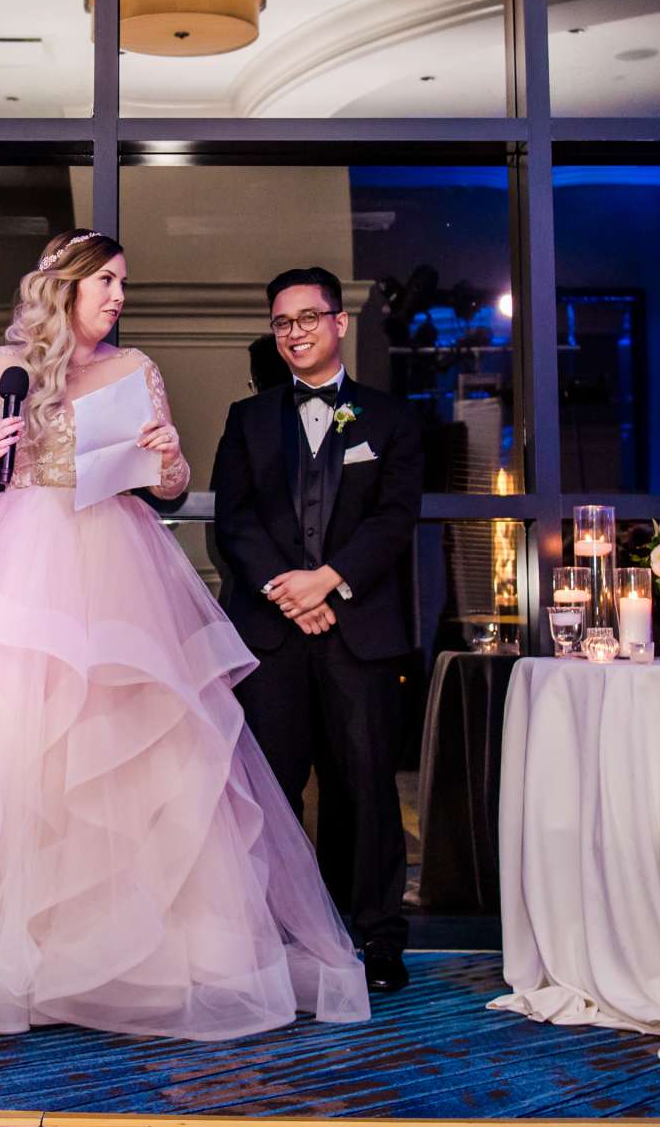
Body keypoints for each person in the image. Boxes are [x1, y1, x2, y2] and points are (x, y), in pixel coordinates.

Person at [0, 229, 369, 1042]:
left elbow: (169, 485)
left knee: (127, 748)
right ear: (64, 287)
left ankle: (130, 960)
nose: (117, 296)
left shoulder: (138, 370)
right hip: (21, 560)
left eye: (123, 284)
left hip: (114, 559)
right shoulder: (6, 368)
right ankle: (16, 959)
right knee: (14, 752)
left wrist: (166, 454)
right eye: (105, 281)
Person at [210, 266, 424, 996]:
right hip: (271, 637)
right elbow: (234, 523)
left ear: (338, 323)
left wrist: (327, 581)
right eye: (282, 323)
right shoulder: (248, 420)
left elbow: (395, 519)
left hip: (360, 630)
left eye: (307, 318)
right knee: (269, 791)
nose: (294, 332)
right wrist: (290, 593)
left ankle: (377, 936)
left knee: (364, 789)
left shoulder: (391, 419)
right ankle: (271, 936)